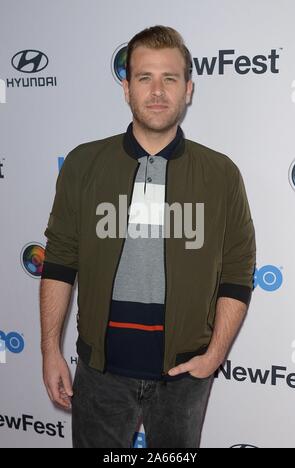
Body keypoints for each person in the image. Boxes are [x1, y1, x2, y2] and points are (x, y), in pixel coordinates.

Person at [40, 25, 256, 448]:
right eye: (145, 78)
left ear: (188, 89)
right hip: (99, 372)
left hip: (184, 377)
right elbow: (60, 261)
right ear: (126, 88)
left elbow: (237, 270)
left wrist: (214, 356)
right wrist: (50, 350)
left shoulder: (220, 174)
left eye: (169, 79)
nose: (157, 91)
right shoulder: (84, 164)